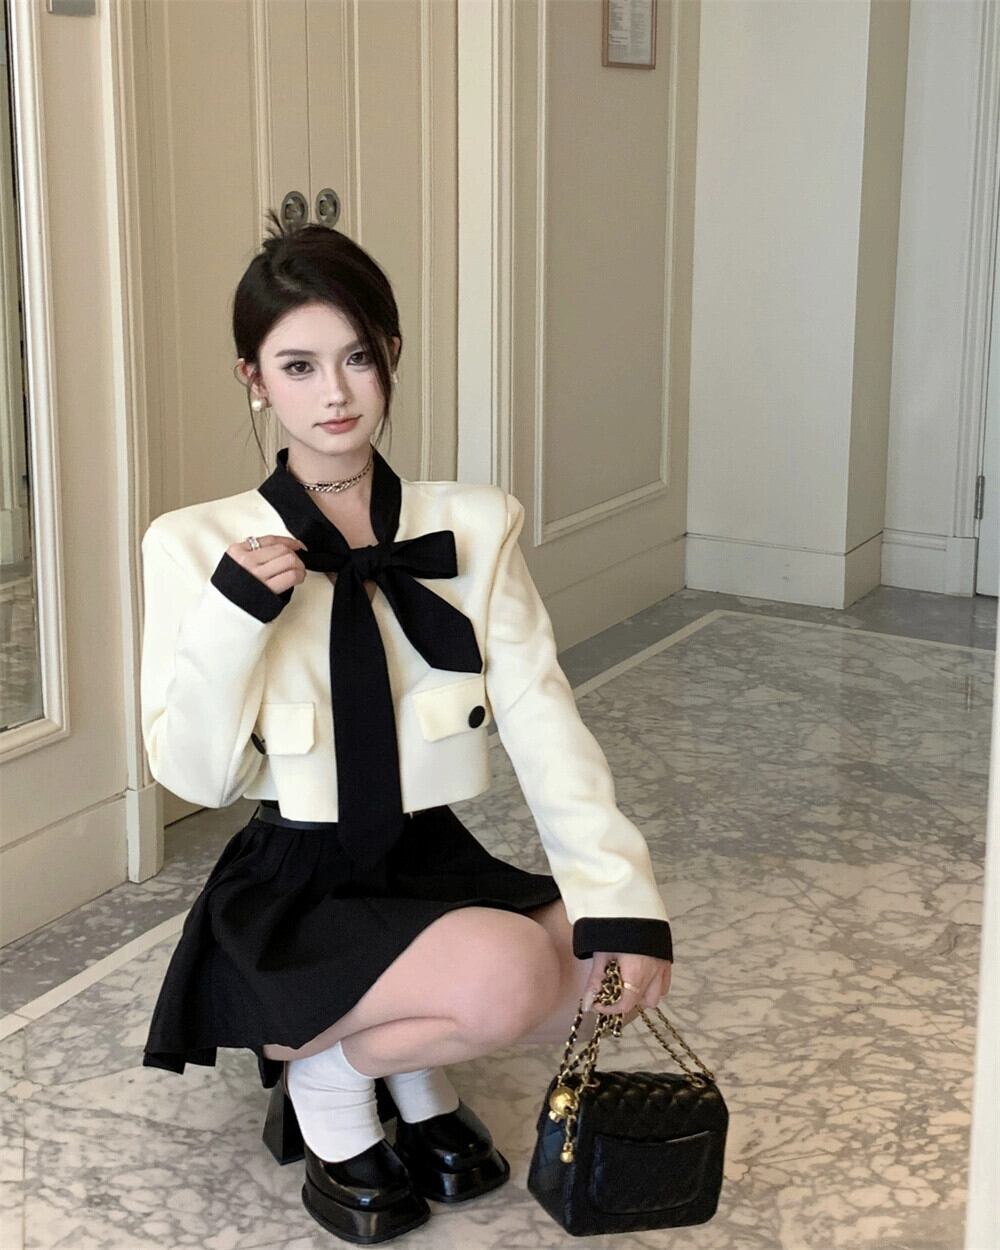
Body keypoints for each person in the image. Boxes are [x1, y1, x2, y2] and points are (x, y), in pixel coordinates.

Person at [138, 212, 674, 1245]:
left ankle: (403, 1068)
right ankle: (331, 1081)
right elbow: (195, 778)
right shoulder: (192, 542)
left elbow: (544, 719)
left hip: (428, 855)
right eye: (298, 366)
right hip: (297, 879)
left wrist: (623, 900)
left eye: (356, 358)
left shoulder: (473, 523)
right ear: (254, 379)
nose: (334, 393)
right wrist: (232, 618)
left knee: (599, 966)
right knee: (508, 974)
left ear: (391, 355)